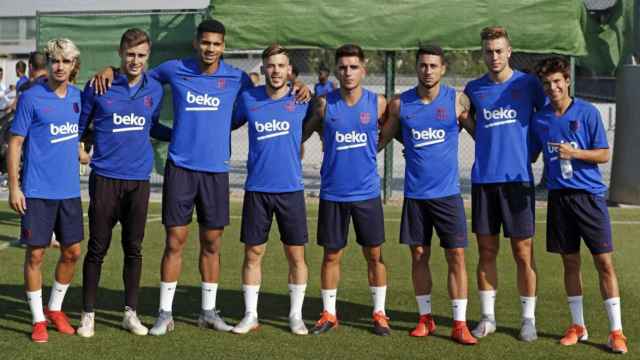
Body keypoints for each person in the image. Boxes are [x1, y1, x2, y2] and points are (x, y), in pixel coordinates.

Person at [92, 19, 309, 336]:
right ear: (196, 43)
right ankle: (165, 313)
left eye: (217, 44)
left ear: (224, 47)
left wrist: (300, 86)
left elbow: (268, 96)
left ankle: (208, 311)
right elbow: (137, 75)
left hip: (216, 172)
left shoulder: (236, 78)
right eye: (205, 42)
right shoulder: (174, 69)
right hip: (180, 168)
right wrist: (110, 70)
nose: (211, 48)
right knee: (174, 241)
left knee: (212, 243)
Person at [75, 28, 172, 338]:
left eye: (141, 55)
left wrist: (178, 133)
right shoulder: (99, 84)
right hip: (104, 178)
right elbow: (79, 125)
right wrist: (78, 146)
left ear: (148, 57)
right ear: (120, 54)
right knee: (97, 248)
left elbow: (152, 125)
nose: (135, 60)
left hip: (138, 181)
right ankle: (87, 314)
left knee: (134, 249)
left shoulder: (154, 89)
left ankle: (130, 313)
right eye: (130, 54)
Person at [378, 44, 476, 344]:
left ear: (443, 69)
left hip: (448, 195)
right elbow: (381, 140)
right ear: (416, 67)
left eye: (434, 66)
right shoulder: (400, 105)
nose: (428, 70)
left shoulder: (457, 101)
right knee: (419, 255)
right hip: (416, 196)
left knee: (456, 256)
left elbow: (482, 135)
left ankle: (460, 323)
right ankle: (425, 318)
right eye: (423, 65)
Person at [531, 57, 628, 354]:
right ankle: (578, 326)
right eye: (547, 83)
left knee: (603, 262)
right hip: (559, 200)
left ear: (567, 81)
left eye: (558, 81)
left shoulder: (587, 112)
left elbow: (603, 155)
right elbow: (531, 153)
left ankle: (616, 331)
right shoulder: (541, 118)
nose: (553, 87)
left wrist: (575, 153)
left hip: (589, 197)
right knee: (570, 262)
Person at [463, 26, 545, 341]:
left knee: (523, 253)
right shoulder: (473, 88)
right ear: (482, 53)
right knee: (486, 251)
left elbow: (545, 119)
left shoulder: (529, 85)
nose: (494, 56)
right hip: (484, 180)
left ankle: (528, 319)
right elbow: (463, 117)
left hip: (517, 181)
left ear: (509, 51)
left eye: (499, 50)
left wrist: (533, 152)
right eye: (488, 51)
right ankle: (487, 318)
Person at [302, 44, 390, 336]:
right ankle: (329, 314)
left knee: (374, 255)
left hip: (366, 193)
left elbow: (392, 132)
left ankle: (379, 313)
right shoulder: (324, 104)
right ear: (336, 71)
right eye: (343, 67)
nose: (348, 72)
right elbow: (303, 131)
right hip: (333, 193)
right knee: (331, 256)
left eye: (354, 67)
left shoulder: (378, 103)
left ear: (363, 70)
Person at [230, 44, 310, 336]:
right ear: (263, 69)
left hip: (290, 190)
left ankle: (295, 316)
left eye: (281, 66)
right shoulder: (249, 99)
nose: (276, 71)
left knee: (296, 256)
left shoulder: (302, 99)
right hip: (257, 190)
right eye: (271, 66)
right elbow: (224, 123)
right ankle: (250, 315)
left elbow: (329, 112)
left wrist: (304, 87)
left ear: (290, 70)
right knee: (253, 253)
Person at [8, 38, 83, 343]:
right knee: (36, 254)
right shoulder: (31, 97)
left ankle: (55, 308)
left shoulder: (78, 98)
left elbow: (74, 137)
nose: (60, 66)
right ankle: (38, 319)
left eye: (66, 61)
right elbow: (15, 144)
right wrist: (15, 187)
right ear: (48, 64)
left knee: (72, 252)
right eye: (55, 61)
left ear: (74, 65)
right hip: (37, 191)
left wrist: (83, 151)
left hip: (69, 191)